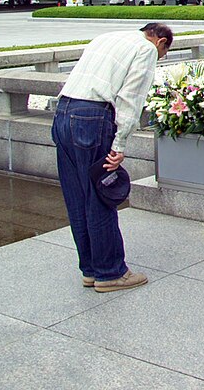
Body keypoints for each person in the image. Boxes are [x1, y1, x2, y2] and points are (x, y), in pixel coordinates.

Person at [52, 22, 173, 292]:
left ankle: (90, 270)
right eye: (163, 54)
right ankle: (110, 272)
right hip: (92, 118)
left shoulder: (106, 37)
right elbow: (131, 99)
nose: (160, 57)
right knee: (100, 195)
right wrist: (119, 145)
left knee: (77, 196)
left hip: (63, 113)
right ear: (161, 41)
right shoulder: (146, 49)